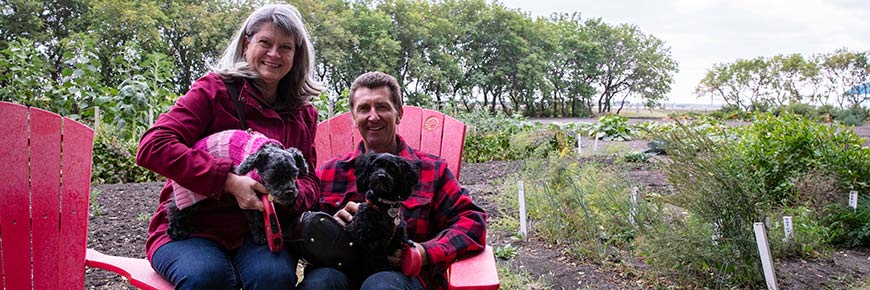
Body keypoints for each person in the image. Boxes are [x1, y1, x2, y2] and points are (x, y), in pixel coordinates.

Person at [135, 4, 322, 290]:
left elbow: (309, 180)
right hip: (193, 228)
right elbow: (154, 146)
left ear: (296, 56)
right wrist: (229, 182)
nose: (274, 54)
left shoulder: (302, 113)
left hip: (259, 233)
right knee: (209, 277)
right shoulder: (213, 91)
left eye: (285, 47)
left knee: (273, 278)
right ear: (247, 44)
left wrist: (289, 195)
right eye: (265, 42)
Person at [299, 71, 487, 290]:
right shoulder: (330, 172)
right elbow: (300, 224)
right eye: (363, 109)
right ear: (353, 117)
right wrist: (328, 225)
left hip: (400, 278)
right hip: (340, 269)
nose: (373, 116)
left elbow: (472, 220)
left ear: (399, 114)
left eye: (382, 107)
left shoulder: (432, 171)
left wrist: (424, 252)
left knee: (381, 286)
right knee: (319, 284)